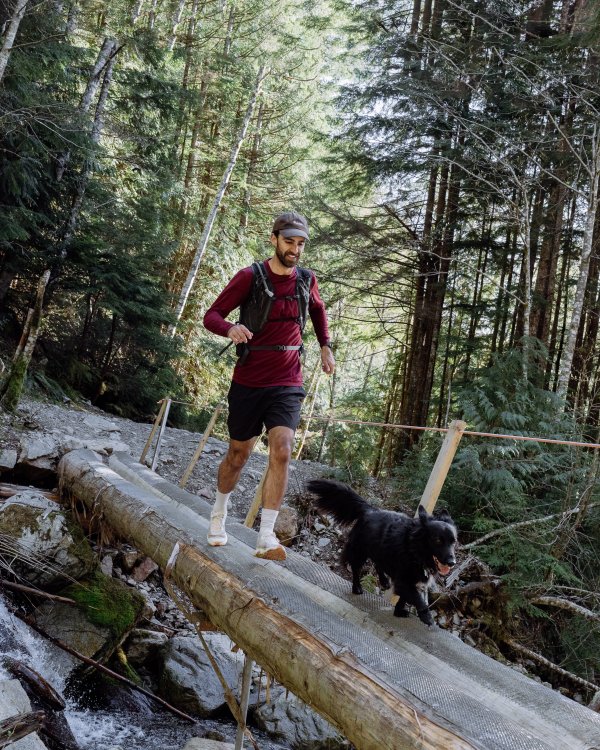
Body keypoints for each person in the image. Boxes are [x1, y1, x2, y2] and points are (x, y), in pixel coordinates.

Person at [203, 211, 335, 561]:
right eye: (289, 241)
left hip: (288, 379)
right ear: (274, 239)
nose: (295, 249)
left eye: (301, 243)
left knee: (282, 449)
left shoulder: (307, 280)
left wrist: (325, 345)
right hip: (249, 379)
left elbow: (318, 311)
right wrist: (229, 327)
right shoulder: (249, 276)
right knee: (238, 455)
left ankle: (266, 536)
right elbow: (211, 315)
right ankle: (218, 515)